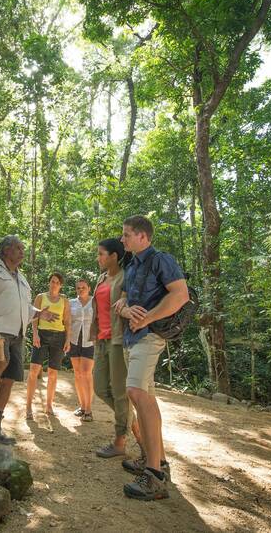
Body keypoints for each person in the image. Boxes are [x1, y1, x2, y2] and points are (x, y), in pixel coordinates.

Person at [116, 215, 189, 501]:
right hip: (131, 338)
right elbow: (121, 301)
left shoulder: (162, 260)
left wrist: (147, 318)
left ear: (143, 236)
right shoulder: (130, 264)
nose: (122, 240)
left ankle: (154, 476)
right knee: (145, 395)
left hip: (149, 336)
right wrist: (125, 311)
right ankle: (157, 461)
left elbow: (180, 295)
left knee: (135, 391)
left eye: (127, 235)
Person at [0, 236, 58, 444]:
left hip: (18, 333)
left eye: (22, 248)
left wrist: (39, 314)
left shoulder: (22, 278)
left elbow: (24, 307)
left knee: (9, 377)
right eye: (18, 248)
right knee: (0, 363)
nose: (22, 251)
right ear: (6, 250)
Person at [91, 238, 144, 457]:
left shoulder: (126, 277)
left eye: (101, 254)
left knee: (121, 393)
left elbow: (126, 305)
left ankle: (120, 441)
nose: (98, 258)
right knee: (100, 388)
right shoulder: (102, 278)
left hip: (118, 339)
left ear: (114, 256)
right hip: (101, 340)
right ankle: (135, 427)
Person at [26, 273, 70, 419]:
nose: (54, 284)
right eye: (52, 281)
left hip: (59, 336)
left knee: (53, 373)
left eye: (57, 282)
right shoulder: (40, 297)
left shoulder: (64, 300)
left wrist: (67, 340)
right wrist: (35, 334)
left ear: (60, 285)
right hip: (42, 335)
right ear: (49, 282)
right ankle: (28, 407)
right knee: (33, 370)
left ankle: (49, 405)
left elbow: (67, 321)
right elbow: (34, 316)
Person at [68, 279, 94, 421]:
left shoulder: (95, 302)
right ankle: (82, 406)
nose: (81, 290)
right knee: (78, 374)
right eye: (78, 288)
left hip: (90, 340)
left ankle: (89, 410)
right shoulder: (71, 303)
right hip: (74, 339)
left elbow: (100, 319)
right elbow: (67, 322)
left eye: (83, 287)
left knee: (86, 373)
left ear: (89, 288)